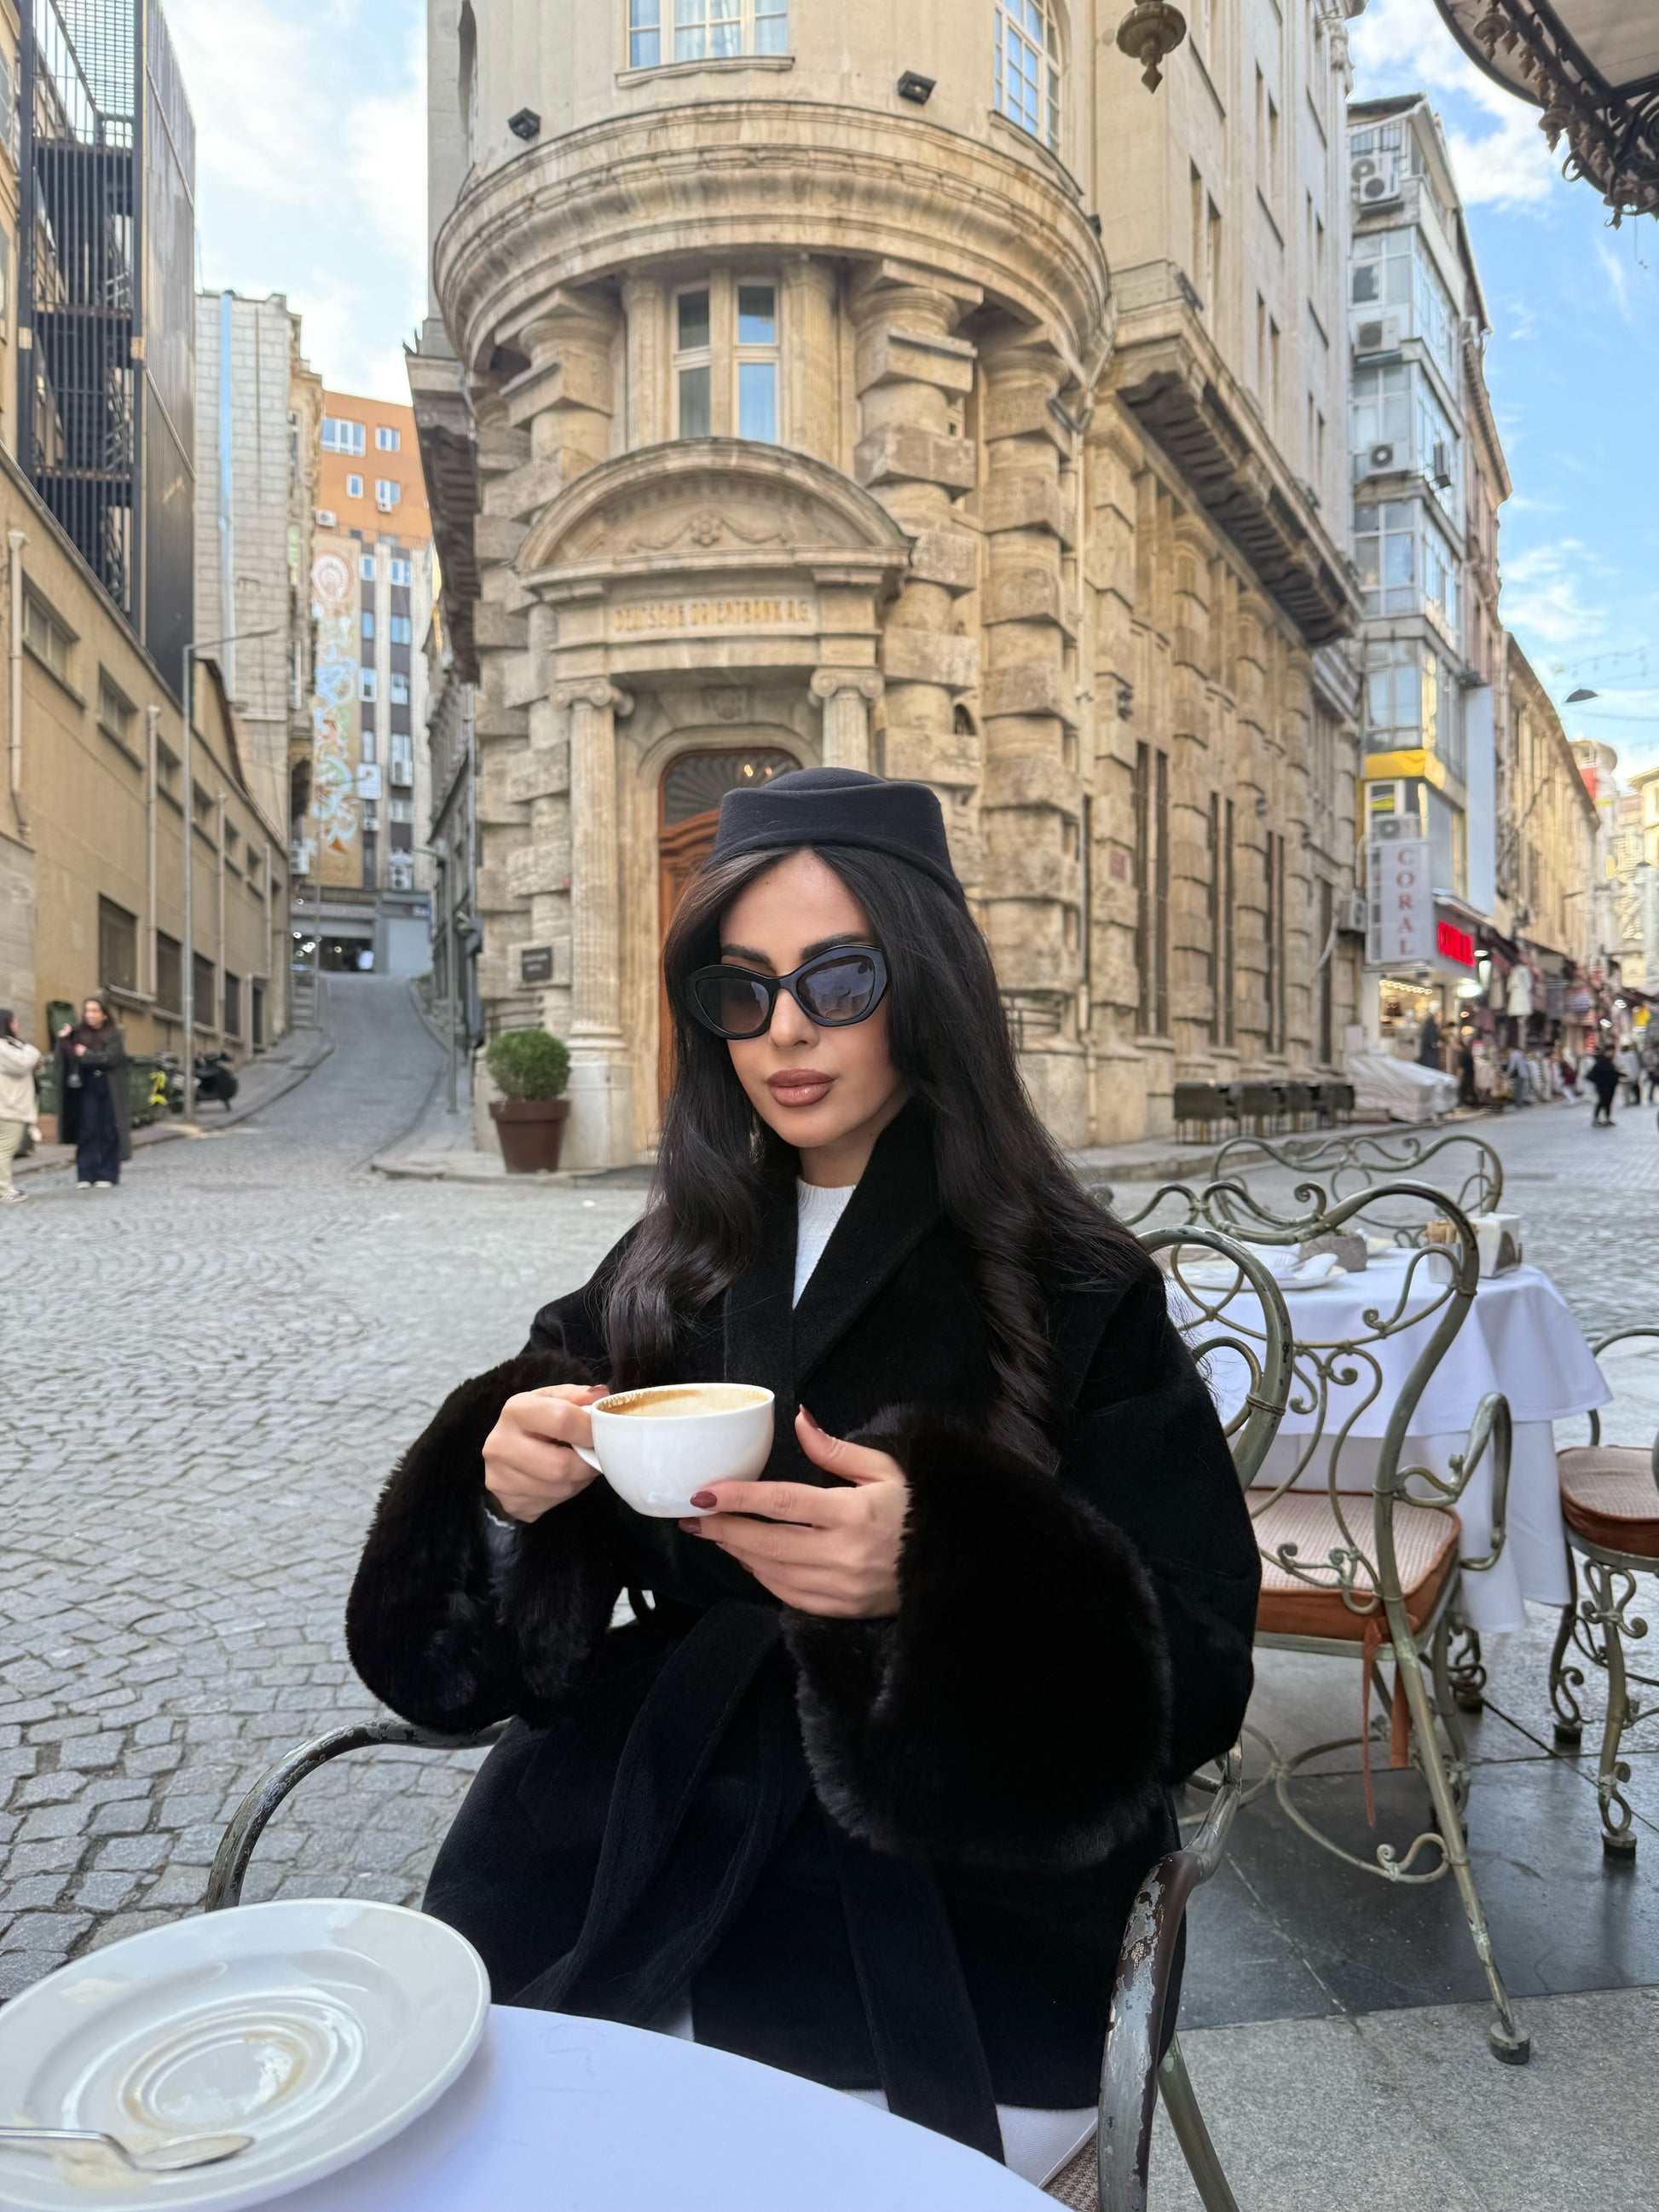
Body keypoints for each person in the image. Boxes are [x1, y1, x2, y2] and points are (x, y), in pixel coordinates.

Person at [346, 767, 1259, 2187]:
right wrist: (500, 1502)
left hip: (957, 1893)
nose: (784, 1029)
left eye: (839, 979)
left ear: (926, 983)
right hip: (638, 1834)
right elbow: (446, 1673)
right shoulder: (661, 1266)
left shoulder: (1076, 1284)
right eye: (743, 988)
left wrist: (942, 1576)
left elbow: (1197, 1669)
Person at [55, 996, 130, 1187]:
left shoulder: (114, 1034)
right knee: (87, 1130)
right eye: (88, 1010)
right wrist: (64, 1039)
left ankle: (107, 1174)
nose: (90, 1015)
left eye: (94, 1011)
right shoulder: (78, 1032)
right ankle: (85, 1175)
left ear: (104, 1015)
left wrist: (87, 1054)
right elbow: (69, 1055)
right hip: (87, 1086)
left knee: (109, 1130)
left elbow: (111, 1059)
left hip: (109, 1086)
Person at [0, 1009, 41, 1204]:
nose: (17, 1024)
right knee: (5, 1149)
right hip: (8, 1106)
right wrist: (32, 1052)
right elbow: (23, 1063)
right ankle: (4, 1190)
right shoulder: (2, 1047)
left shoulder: (10, 1045)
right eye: (14, 1021)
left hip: (10, 1105)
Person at [1588, 1047, 1621, 1129]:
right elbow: (1602, 1073)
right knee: (1602, 1101)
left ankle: (1607, 1118)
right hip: (1603, 1085)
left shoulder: (1609, 1061)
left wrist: (1619, 1074)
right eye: (1612, 1052)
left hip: (1610, 1085)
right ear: (1607, 1052)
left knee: (1608, 1102)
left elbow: (1611, 1072)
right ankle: (1596, 1118)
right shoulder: (1601, 1061)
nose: (1613, 1054)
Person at [1456, 1037, 1478, 1109]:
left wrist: (1458, 1077)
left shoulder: (1462, 1054)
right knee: (1470, 1088)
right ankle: (1474, 1103)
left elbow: (1461, 1067)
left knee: (1463, 1089)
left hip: (1467, 1074)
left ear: (1459, 1045)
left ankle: (1463, 1103)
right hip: (1471, 1072)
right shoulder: (1467, 1051)